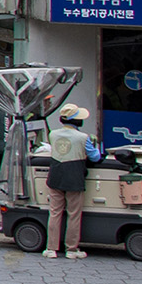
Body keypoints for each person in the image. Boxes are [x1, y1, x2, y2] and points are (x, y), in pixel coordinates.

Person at [43, 103, 99, 259]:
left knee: (55, 213)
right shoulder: (83, 138)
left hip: (55, 176)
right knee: (74, 214)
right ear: (76, 121)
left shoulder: (53, 134)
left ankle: (51, 249)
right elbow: (95, 157)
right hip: (74, 177)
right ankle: (71, 249)